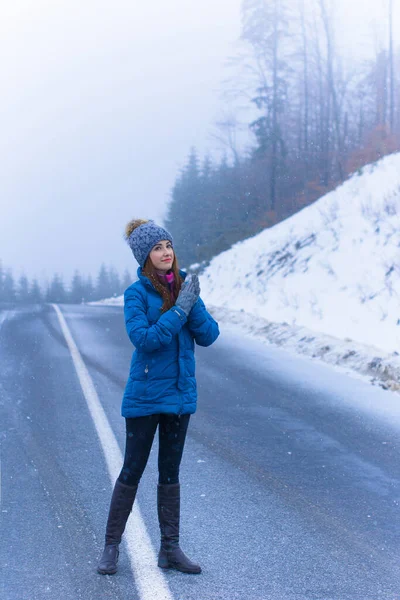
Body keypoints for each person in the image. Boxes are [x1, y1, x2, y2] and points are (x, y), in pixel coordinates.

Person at [97, 218, 219, 576]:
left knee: (170, 472)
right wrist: (179, 309)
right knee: (132, 470)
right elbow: (145, 339)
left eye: (168, 245)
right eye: (157, 248)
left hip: (180, 396)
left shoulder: (184, 288)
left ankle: (170, 549)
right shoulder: (136, 294)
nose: (166, 253)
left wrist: (191, 302)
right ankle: (110, 546)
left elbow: (210, 335)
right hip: (146, 396)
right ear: (145, 257)